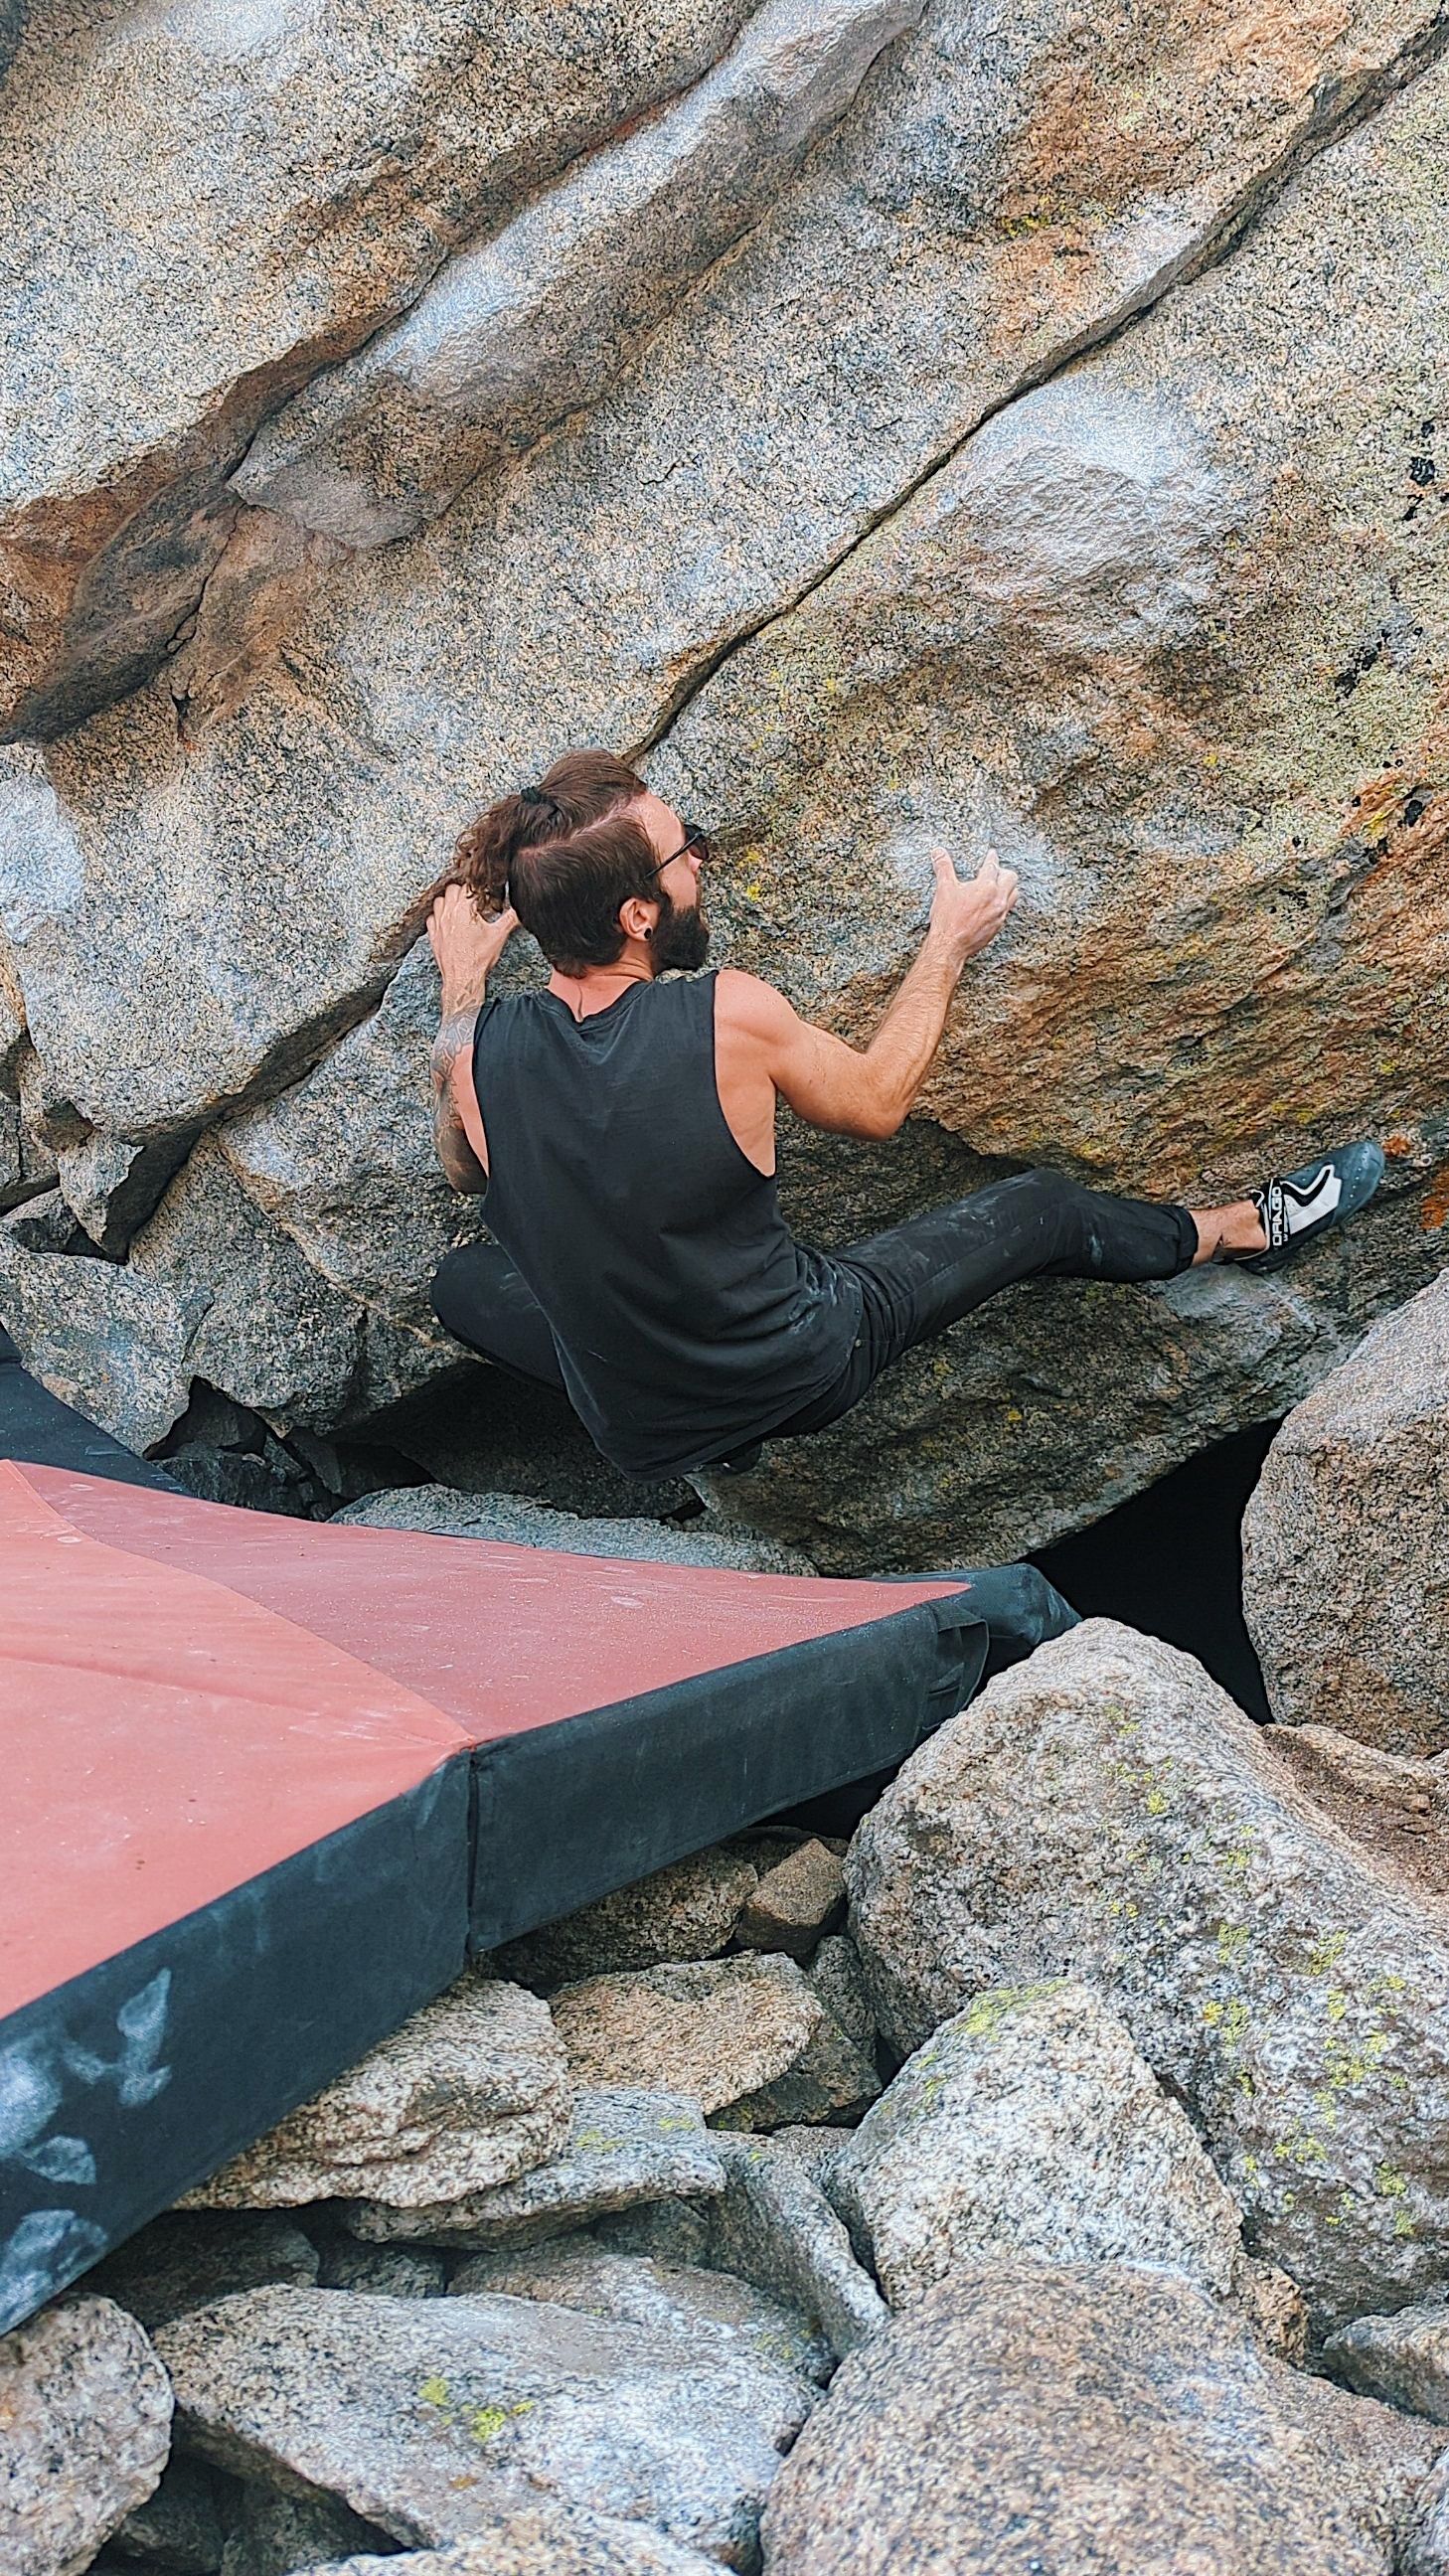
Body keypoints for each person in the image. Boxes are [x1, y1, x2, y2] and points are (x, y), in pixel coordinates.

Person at [425, 747, 1383, 1486]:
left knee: (458, 1285)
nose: (701, 864)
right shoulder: (726, 1015)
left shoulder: (480, 1052)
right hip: (804, 1362)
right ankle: (1242, 1229)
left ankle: (706, 1442)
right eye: (688, 854)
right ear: (638, 916)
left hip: (636, 1430)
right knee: (1041, 1209)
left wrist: (462, 986)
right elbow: (879, 1103)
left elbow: (468, 1170)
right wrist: (948, 945)